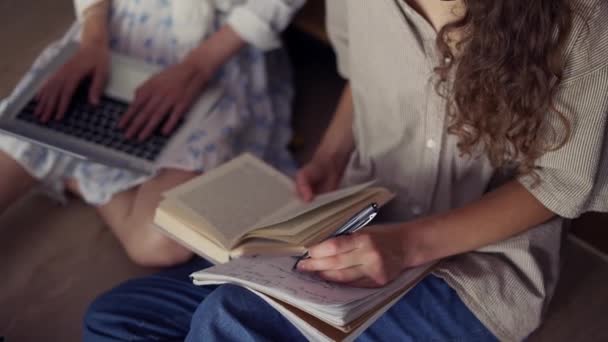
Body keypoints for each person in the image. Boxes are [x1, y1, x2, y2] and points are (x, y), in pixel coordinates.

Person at [83, 0, 608, 340]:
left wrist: (408, 245)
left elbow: (562, 184)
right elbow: (366, 73)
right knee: (116, 320)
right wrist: (330, 156)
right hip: (360, 220)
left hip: (475, 271)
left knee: (227, 323)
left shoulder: (582, 18)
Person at [0, 0, 305, 267]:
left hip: (225, 47)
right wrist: (93, 38)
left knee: (160, 243)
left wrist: (196, 68)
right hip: (120, 25)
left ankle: (76, 171)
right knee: (31, 131)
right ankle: (83, 157)